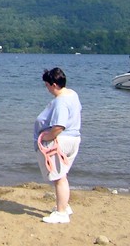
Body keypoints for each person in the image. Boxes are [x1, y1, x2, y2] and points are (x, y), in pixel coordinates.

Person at [34, 67, 81, 224]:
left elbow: (59, 126)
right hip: (73, 139)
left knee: (59, 178)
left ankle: (61, 213)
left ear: (54, 85)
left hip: (61, 141)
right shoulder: (72, 94)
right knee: (63, 175)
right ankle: (64, 206)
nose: (46, 88)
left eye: (47, 85)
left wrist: (46, 137)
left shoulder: (61, 101)